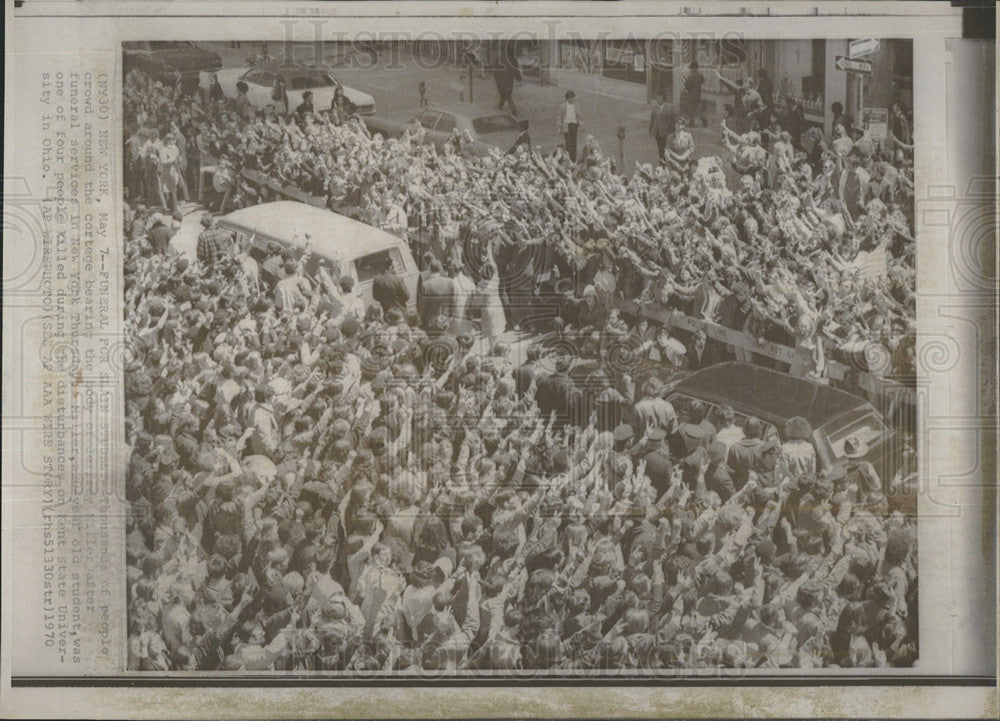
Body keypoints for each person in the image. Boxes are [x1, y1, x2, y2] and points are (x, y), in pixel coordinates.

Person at [648, 96, 675, 164]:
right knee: (659, 146)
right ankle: (662, 158)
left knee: (663, 145)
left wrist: (670, 130)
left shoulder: (668, 109)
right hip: (657, 130)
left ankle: (663, 158)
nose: (658, 100)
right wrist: (650, 128)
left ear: (663, 100)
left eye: (660, 98)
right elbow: (652, 119)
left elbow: (671, 120)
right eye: (657, 98)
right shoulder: (655, 108)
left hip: (664, 131)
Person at [680, 62, 706, 128]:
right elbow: (703, 81)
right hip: (698, 94)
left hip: (691, 95)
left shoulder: (691, 76)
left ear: (692, 69)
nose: (690, 70)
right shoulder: (700, 75)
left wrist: (690, 88)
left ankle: (693, 123)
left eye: (691, 68)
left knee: (692, 109)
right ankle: (700, 120)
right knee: (695, 109)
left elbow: (686, 86)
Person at [558, 91, 581, 162]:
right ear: (568, 99)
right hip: (566, 125)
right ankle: (569, 160)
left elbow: (579, 114)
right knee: (568, 144)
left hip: (574, 124)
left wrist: (580, 122)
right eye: (572, 98)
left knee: (574, 143)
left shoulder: (576, 104)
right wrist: (560, 126)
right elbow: (559, 116)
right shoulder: (563, 106)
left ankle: (573, 160)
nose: (574, 100)